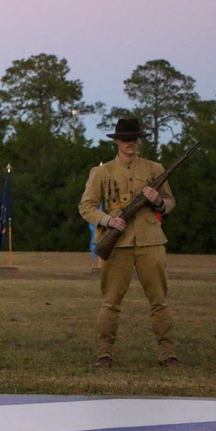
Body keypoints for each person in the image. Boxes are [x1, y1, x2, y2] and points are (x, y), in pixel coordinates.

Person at [79, 118, 179, 368]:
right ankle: (105, 353)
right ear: (117, 142)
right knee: (111, 301)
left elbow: (170, 203)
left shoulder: (155, 169)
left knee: (159, 300)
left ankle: (167, 353)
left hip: (150, 241)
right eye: (125, 139)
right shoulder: (101, 172)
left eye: (134, 138)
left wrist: (157, 202)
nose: (130, 143)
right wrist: (108, 220)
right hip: (117, 244)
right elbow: (86, 206)